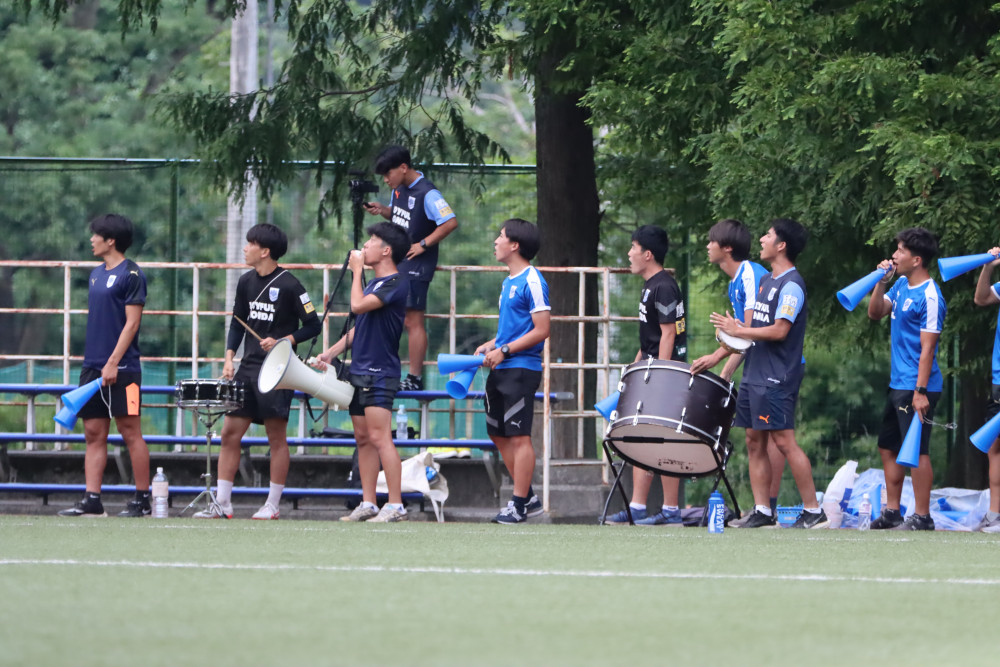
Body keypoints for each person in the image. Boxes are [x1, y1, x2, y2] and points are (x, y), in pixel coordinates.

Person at [195, 224, 321, 520]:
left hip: (279, 370)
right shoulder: (245, 282)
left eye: (250, 243)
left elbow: (313, 325)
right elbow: (237, 323)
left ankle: (272, 505)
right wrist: (229, 358)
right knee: (229, 433)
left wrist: (284, 341)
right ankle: (222, 503)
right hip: (248, 368)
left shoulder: (291, 285)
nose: (245, 248)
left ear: (265, 251)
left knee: (276, 437)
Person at [711, 218, 826, 528]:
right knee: (753, 440)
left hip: (777, 376)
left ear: (782, 245)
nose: (761, 239)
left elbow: (779, 331)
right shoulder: (766, 281)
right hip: (755, 373)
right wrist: (731, 334)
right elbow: (755, 329)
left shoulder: (792, 285)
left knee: (784, 441)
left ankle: (814, 510)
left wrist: (739, 329)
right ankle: (762, 511)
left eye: (768, 235)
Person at [313, 222, 412, 523]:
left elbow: (356, 306)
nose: (364, 246)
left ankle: (395, 505)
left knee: (381, 438)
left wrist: (356, 271)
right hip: (358, 370)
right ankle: (368, 502)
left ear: (387, 250)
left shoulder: (396, 282)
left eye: (372, 241)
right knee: (363, 438)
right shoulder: (374, 285)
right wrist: (331, 353)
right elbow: (360, 326)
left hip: (380, 372)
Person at [690, 218, 787, 519]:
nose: (707, 246)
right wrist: (724, 370)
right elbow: (743, 336)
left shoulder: (749, 275)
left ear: (727, 248)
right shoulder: (736, 282)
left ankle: (772, 506)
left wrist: (717, 358)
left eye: (712, 241)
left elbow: (749, 330)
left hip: (776, 366)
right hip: (759, 364)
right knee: (757, 436)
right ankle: (762, 508)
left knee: (777, 436)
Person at [59, 214, 152, 518]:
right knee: (93, 432)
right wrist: (99, 363)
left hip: (124, 368)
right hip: (92, 366)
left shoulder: (133, 274)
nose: (91, 240)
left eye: (96, 235)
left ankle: (142, 499)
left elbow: (132, 323)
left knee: (130, 431)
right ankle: (92, 500)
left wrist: (113, 362)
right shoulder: (96, 274)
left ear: (110, 240)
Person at [604, 225, 689, 526]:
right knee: (641, 436)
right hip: (650, 371)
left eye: (634, 248)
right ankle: (637, 507)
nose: (629, 253)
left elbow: (668, 335)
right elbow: (651, 338)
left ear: (648, 254)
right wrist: (635, 366)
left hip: (665, 375)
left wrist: (661, 377)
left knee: (663, 439)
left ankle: (671, 510)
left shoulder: (664, 286)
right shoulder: (650, 285)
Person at [865, 227, 946, 530]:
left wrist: (920, 391)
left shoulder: (930, 296)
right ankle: (892, 511)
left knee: (918, 451)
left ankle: (922, 517)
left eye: (901, 250)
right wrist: (880, 282)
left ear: (917, 260)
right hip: (897, 384)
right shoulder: (900, 284)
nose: (894, 255)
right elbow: (875, 313)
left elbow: (928, 349)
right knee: (888, 447)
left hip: (918, 386)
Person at [473, 218, 551, 524]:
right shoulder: (508, 282)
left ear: (515, 245)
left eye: (501, 236)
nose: (496, 241)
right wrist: (491, 344)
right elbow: (514, 329)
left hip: (521, 369)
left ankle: (518, 505)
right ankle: (528, 496)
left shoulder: (533, 280)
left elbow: (542, 330)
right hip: (501, 366)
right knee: (497, 433)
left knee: (519, 436)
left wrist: (504, 350)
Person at [365, 145, 458, 392]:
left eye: (388, 174)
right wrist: (382, 210)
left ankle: (415, 378)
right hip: (399, 262)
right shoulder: (398, 190)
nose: (386, 180)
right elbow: (400, 216)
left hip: (417, 265)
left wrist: (423, 245)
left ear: (404, 167)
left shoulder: (428, 193)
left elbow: (450, 222)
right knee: (393, 315)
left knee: (412, 320)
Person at [973, 247, 1000, 533]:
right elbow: (981, 298)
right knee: (995, 446)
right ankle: (995, 514)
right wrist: (988, 266)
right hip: (999, 382)